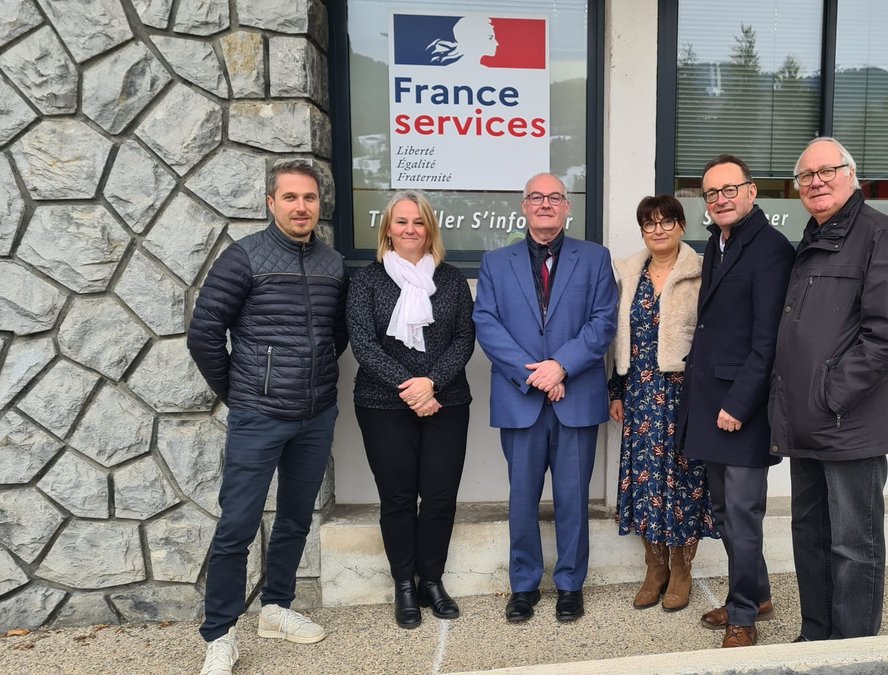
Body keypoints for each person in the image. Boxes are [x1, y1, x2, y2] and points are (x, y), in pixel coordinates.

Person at [187, 160, 347, 675]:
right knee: (237, 525)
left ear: (319, 205)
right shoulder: (243, 258)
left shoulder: (333, 264)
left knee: (296, 518)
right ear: (270, 203)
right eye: (290, 198)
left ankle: (276, 607)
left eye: (310, 198)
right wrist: (241, 391)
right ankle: (219, 634)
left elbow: (336, 335)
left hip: (316, 414)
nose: (301, 207)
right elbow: (204, 333)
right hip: (259, 415)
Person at [769, 137, 888, 641]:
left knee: (855, 545)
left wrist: (831, 393)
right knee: (809, 537)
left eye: (827, 171)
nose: (817, 182)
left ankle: (853, 651)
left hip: (847, 423)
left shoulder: (878, 235)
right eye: (806, 176)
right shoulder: (814, 237)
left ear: (852, 174)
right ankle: (816, 639)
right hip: (807, 423)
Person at [473, 173, 618, 623]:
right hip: (521, 399)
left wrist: (562, 366)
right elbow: (487, 323)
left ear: (567, 206)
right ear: (524, 206)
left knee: (573, 498)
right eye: (537, 197)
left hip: (575, 396)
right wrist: (534, 375)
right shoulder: (496, 262)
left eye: (555, 197)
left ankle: (571, 585)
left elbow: (603, 321)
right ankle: (524, 585)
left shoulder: (594, 258)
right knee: (522, 499)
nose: (545, 204)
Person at [346, 190, 475, 630]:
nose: (410, 230)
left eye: (418, 223)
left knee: (439, 498)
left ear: (429, 230)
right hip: (383, 404)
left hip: (447, 401)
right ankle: (404, 584)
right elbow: (362, 343)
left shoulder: (452, 279)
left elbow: (464, 338)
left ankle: (431, 582)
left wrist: (431, 383)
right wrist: (411, 388)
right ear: (387, 230)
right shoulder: (366, 280)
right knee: (398, 499)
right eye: (401, 222)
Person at [679, 154, 793, 648]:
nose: (720, 199)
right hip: (709, 401)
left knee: (743, 516)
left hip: (741, 409)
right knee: (726, 513)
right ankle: (758, 593)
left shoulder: (770, 250)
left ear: (751, 192)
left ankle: (743, 614)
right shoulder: (718, 243)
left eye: (730, 190)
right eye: (711, 193)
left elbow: (769, 340)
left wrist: (740, 404)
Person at [608, 195, 717, 613]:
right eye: (649, 223)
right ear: (642, 231)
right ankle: (654, 568)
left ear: (681, 225)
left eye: (666, 222)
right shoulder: (627, 273)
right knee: (645, 481)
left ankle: (682, 568)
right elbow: (615, 337)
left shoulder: (701, 273)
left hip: (684, 395)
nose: (658, 230)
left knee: (684, 481)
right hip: (639, 394)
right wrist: (616, 390)